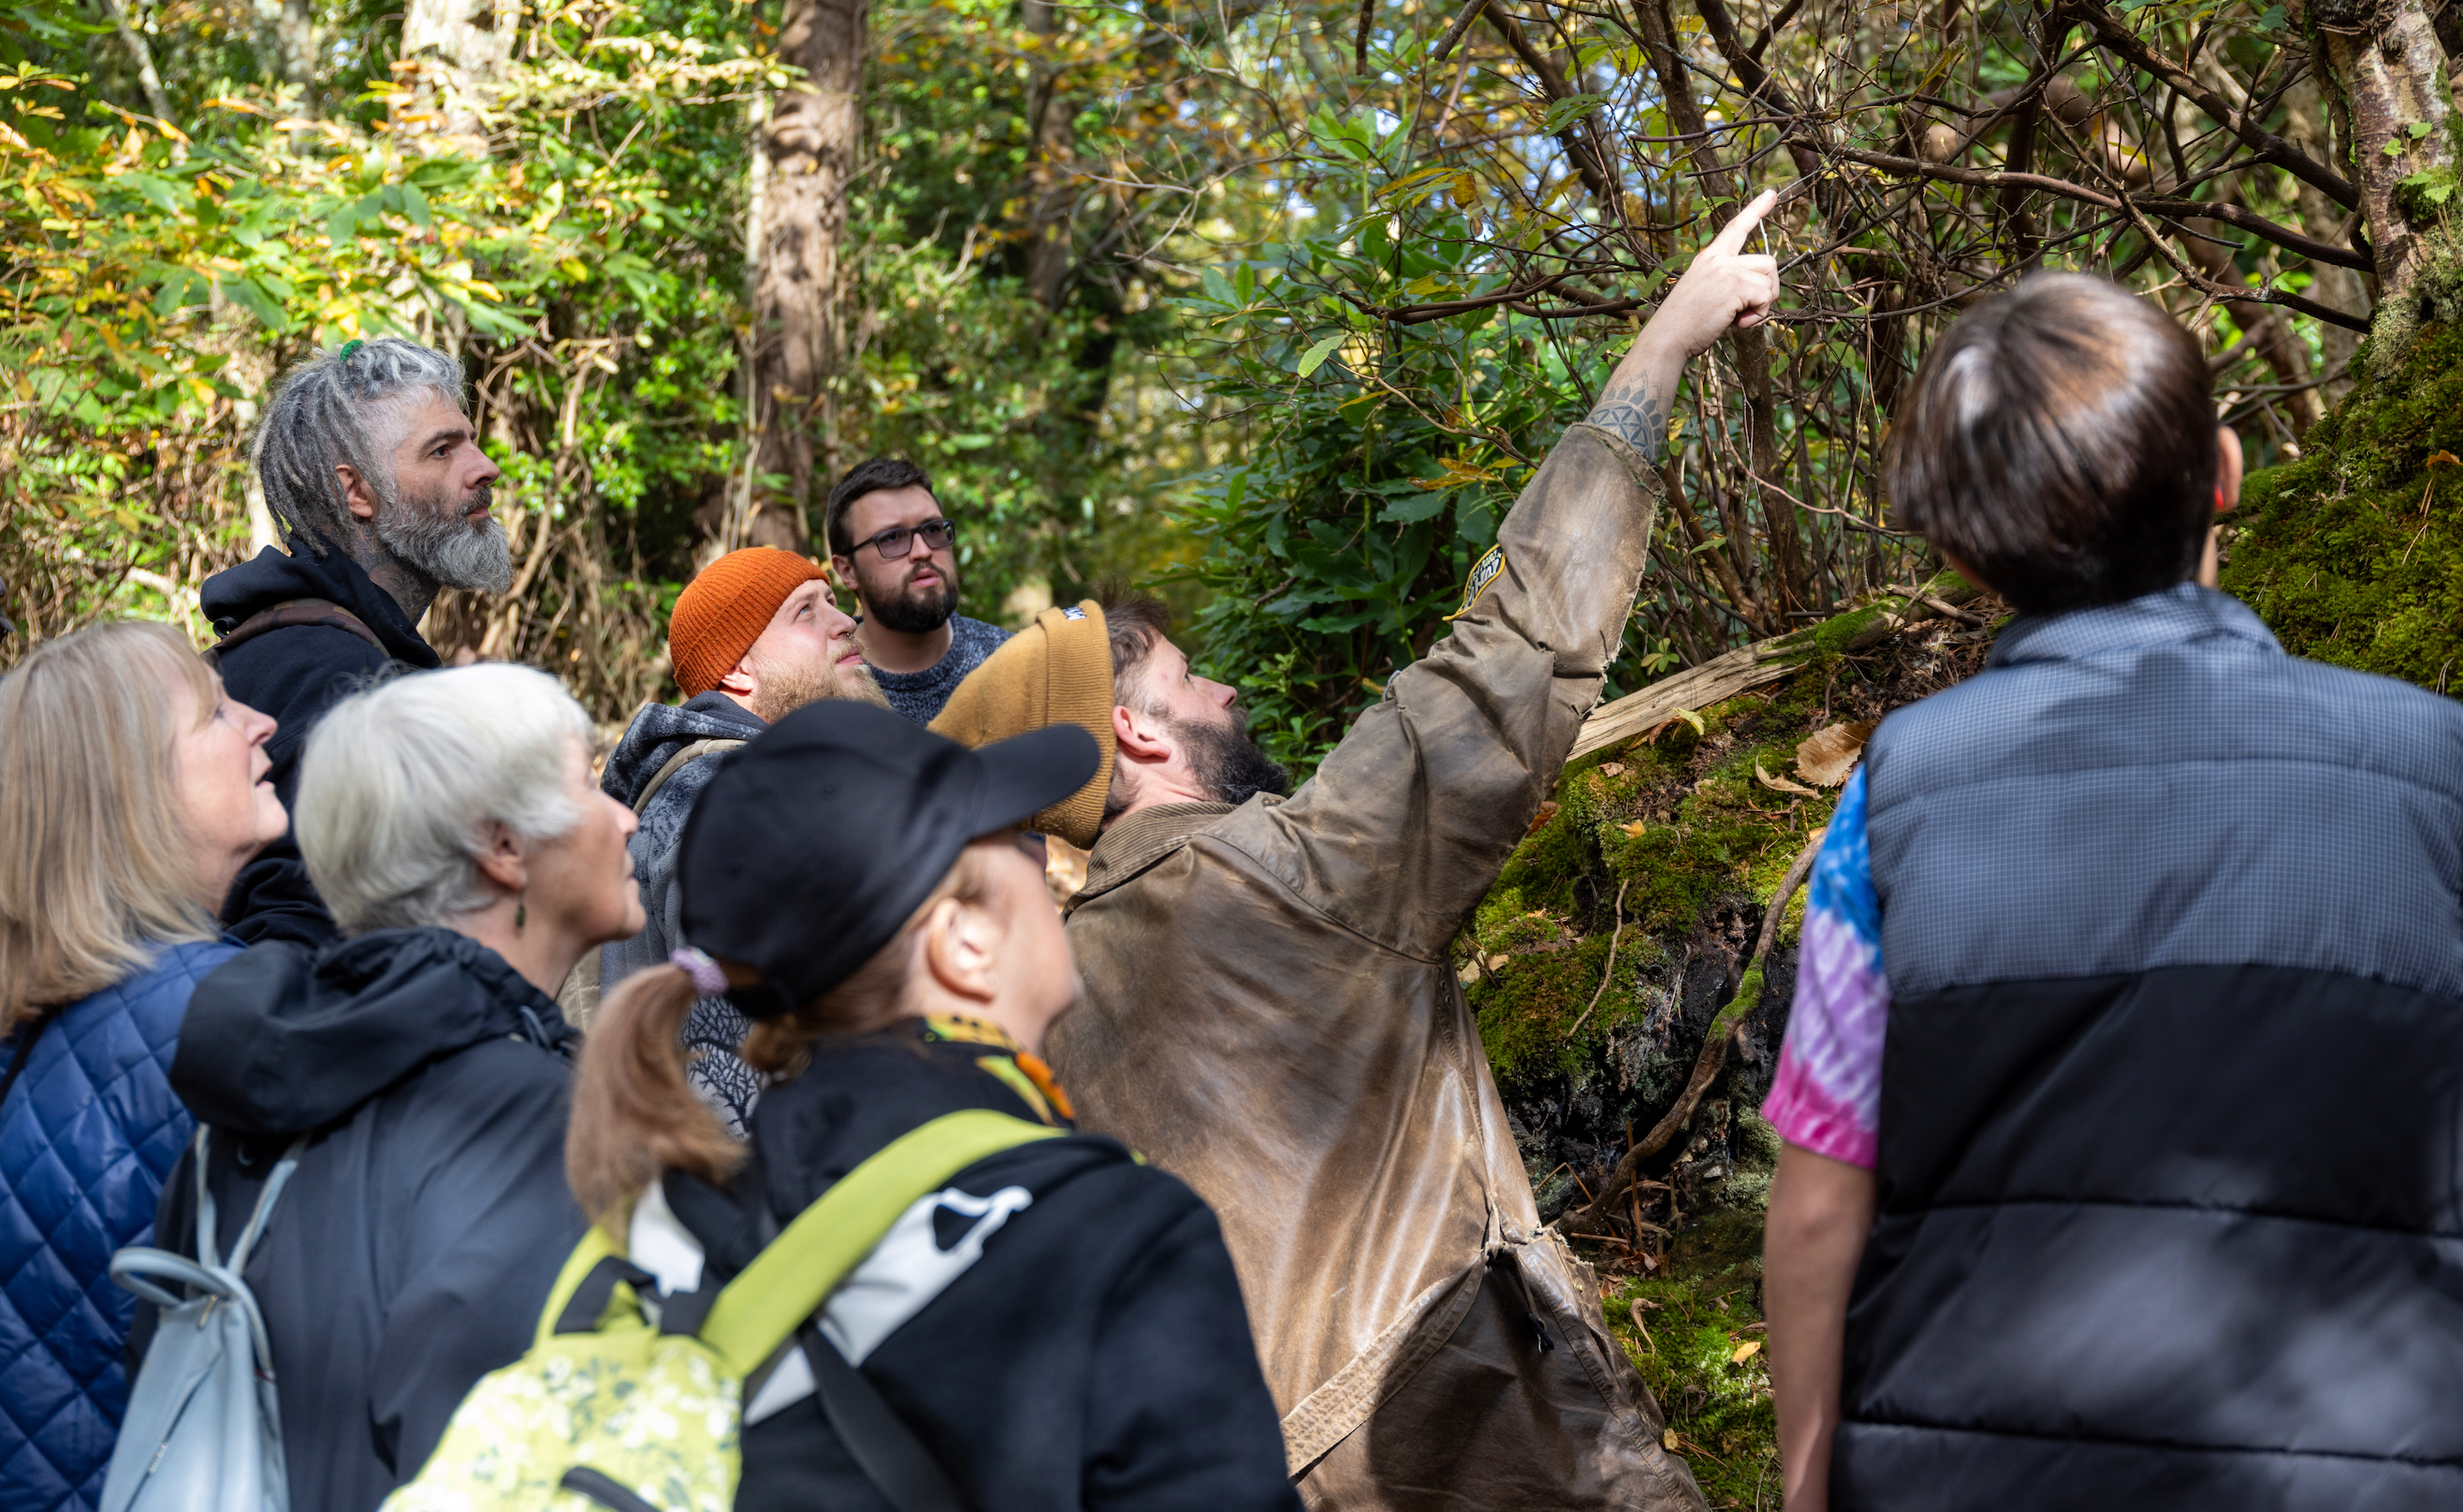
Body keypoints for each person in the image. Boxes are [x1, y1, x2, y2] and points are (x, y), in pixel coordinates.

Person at [928, 196, 1785, 1509]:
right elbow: (1510, 658)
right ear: (1131, 734)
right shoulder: (1294, 875)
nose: (1228, 694)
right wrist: (1657, 353)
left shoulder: (1044, 1018)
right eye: (1192, 676)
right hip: (1495, 1443)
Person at [1759, 270, 2463, 1510]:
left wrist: (1808, 1481)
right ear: (2227, 473)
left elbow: (1821, 1198)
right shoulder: (2436, 768)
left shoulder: (1904, 792)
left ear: (1965, 556)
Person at [565, 701, 1303, 1512]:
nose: (1042, 855)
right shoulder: (1107, 1235)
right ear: (963, 942)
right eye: (1017, 842)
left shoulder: (659, 1228)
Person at [145, 663, 641, 1512]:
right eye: (588, 783)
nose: (626, 817)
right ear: (505, 848)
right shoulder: (526, 1118)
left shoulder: (243, 1101)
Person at [0, 623, 283, 1512]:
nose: (262, 721)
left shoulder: (69, 1013)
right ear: (129, 792)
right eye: (213, 712)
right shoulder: (207, 1015)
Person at [201, 336, 511, 947]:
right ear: (356, 492)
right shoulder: (340, 684)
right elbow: (304, 946)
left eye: (469, 440)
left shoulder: (286, 647)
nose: (483, 467)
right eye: (442, 450)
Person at [595, 545, 888, 1126]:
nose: (846, 622)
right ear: (736, 669)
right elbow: (732, 1059)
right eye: (806, 612)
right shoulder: (727, 797)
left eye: (833, 601)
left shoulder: (757, 782)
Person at [825, 458, 1009, 722]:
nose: (923, 551)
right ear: (847, 571)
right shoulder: (820, 688)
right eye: (891, 537)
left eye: (933, 530)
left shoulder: (1014, 664)